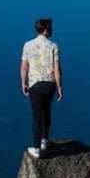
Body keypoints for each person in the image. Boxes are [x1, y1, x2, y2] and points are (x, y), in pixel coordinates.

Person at [19, 17, 62, 158]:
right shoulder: (53, 46)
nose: (52, 30)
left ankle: (36, 148)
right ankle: (45, 140)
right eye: (50, 28)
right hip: (50, 84)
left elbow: (24, 66)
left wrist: (23, 82)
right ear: (45, 29)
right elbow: (56, 68)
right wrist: (60, 87)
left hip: (35, 85)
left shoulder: (28, 45)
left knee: (37, 115)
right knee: (47, 111)